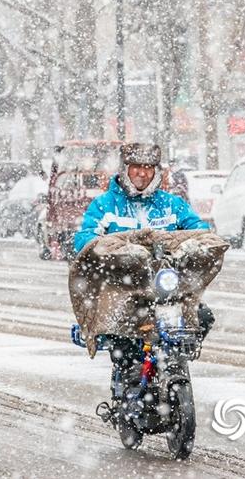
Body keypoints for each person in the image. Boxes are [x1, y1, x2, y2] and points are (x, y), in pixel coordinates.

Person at [73, 142, 215, 363]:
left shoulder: (171, 205)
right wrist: (112, 249)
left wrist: (198, 243)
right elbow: (85, 238)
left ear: (157, 171)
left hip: (165, 289)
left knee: (202, 316)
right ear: (125, 169)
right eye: (136, 166)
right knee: (123, 340)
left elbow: (198, 230)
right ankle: (126, 384)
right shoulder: (105, 205)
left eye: (148, 167)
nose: (142, 173)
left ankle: (180, 358)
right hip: (124, 290)